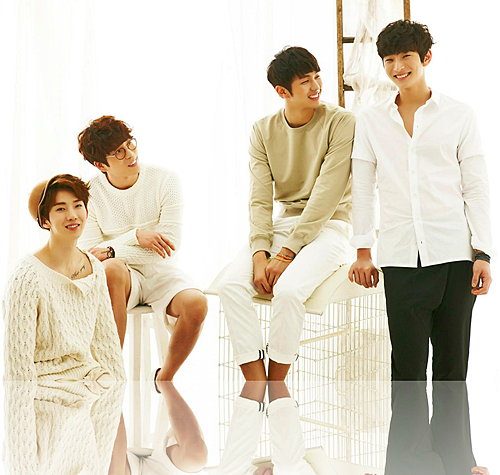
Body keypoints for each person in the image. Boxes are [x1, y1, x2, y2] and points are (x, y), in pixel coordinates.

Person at [348, 20, 493, 381]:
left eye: (406, 57)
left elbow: (475, 188)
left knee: (452, 371)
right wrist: (363, 250)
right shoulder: (370, 121)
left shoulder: (460, 115)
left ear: (426, 57)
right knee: (407, 372)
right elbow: (362, 189)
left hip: (454, 257)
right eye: (389, 60)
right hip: (400, 259)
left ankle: (452, 424)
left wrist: (483, 253)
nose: (397, 67)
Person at [217, 46, 355, 403]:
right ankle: (255, 382)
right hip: (285, 225)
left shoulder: (342, 122)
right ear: (282, 91)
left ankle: (277, 387)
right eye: (305, 81)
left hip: (331, 226)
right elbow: (260, 198)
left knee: (289, 291)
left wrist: (286, 254)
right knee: (231, 286)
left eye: (317, 76)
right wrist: (260, 252)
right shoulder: (263, 131)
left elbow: (327, 195)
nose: (316, 86)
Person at [77, 116, 207, 382]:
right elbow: (90, 255)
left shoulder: (165, 180)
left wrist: (112, 249)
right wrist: (135, 237)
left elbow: (168, 246)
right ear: (101, 165)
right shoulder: (90, 195)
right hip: (120, 278)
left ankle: (164, 378)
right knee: (111, 269)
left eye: (130, 144)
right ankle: (112, 376)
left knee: (197, 303)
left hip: (161, 272)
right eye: (118, 152)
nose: (130, 154)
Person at [3, 174, 126, 384]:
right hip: (43, 387)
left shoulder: (94, 268)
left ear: (87, 211)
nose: (72, 215)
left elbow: (107, 347)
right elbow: (18, 367)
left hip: (86, 381)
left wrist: (116, 392)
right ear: (45, 221)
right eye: (60, 209)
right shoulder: (26, 278)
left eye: (77, 206)